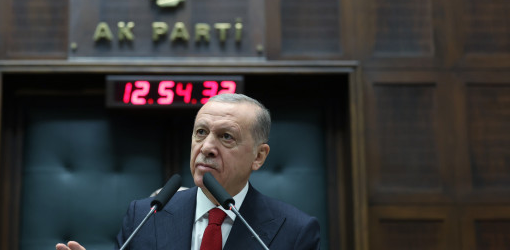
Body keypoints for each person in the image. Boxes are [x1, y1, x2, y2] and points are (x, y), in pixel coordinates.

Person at [57, 93, 320, 250]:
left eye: (226, 137)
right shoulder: (144, 216)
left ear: (259, 156)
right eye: (201, 132)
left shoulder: (295, 231)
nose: (206, 147)